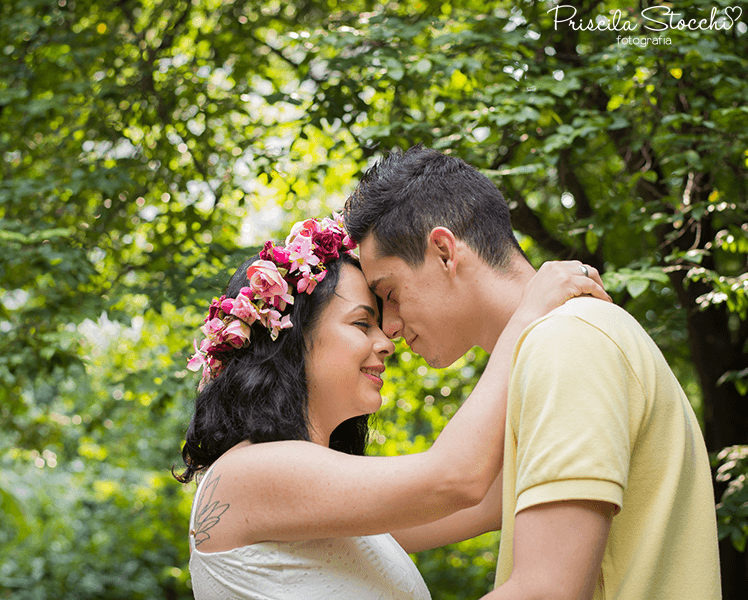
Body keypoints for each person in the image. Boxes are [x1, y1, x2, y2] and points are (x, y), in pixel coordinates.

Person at [343, 144, 722, 600]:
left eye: (392, 292)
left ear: (444, 251)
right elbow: (445, 508)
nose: (391, 327)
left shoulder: (566, 341)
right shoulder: (558, 341)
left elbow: (548, 590)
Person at [175, 214, 609, 599]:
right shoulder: (247, 474)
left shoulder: (340, 515)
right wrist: (528, 313)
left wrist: (583, 375)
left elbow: (504, 494)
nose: (387, 342)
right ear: (291, 339)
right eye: (362, 323)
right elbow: (455, 479)